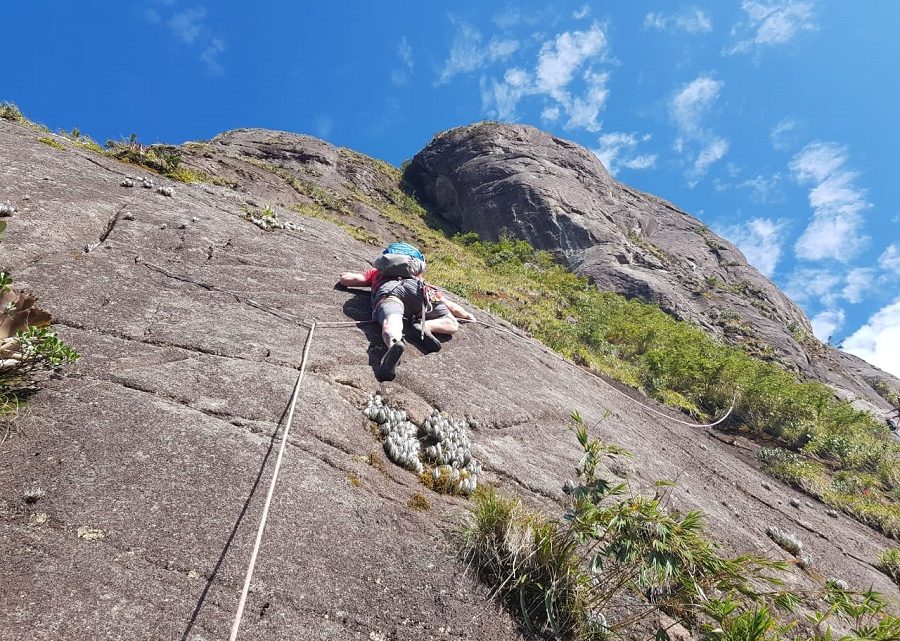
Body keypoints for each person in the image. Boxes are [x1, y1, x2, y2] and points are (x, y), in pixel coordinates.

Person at [339, 242, 475, 380]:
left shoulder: (377, 273)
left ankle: (394, 344)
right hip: (416, 290)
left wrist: (344, 276)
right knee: (451, 323)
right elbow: (450, 306)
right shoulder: (418, 279)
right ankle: (425, 326)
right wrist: (468, 316)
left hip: (389, 290)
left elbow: (349, 280)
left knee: (391, 321)